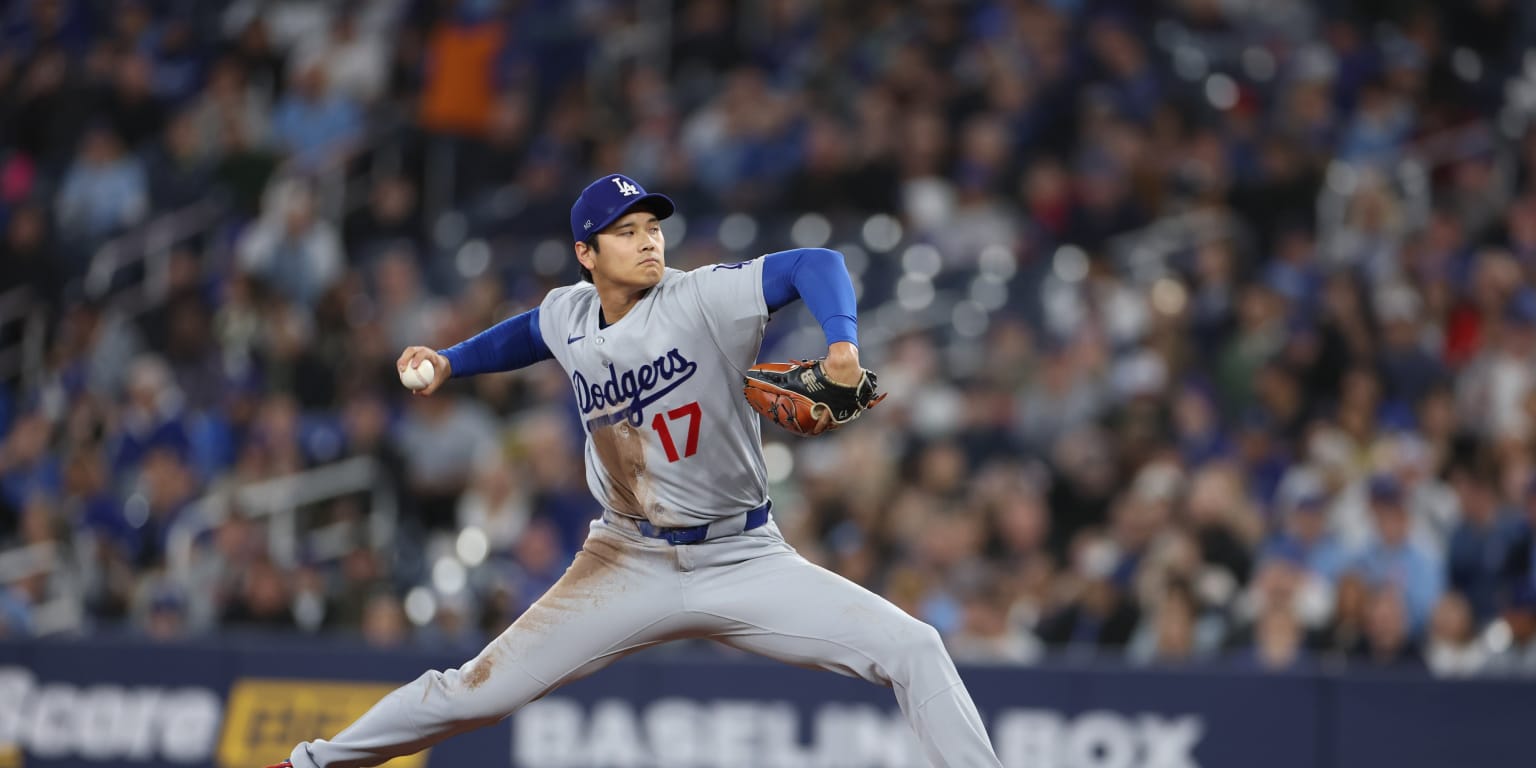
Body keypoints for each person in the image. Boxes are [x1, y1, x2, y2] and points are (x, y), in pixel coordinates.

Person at [265, 174, 1003, 768]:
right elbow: (529, 332)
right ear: (586, 253)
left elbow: (819, 264)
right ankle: (309, 765)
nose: (649, 241)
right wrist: (451, 361)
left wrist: (841, 344)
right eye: (627, 232)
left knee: (914, 647)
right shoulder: (571, 313)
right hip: (625, 557)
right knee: (473, 693)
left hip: (742, 555)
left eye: (653, 227)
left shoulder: (701, 298)